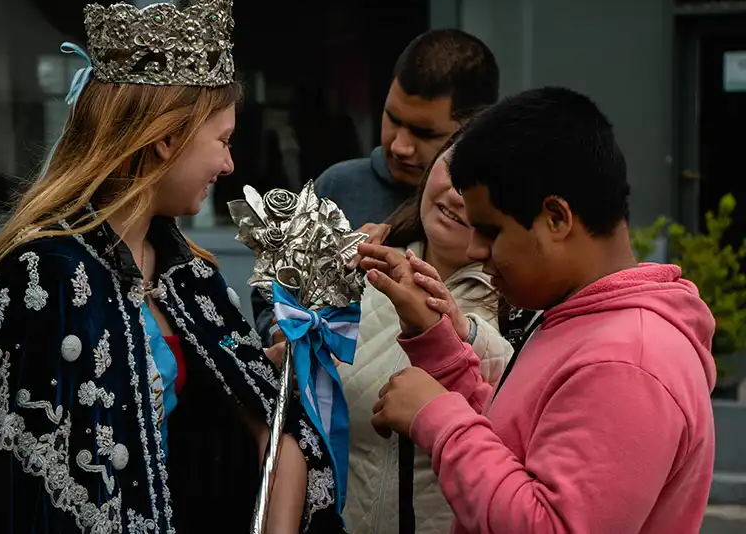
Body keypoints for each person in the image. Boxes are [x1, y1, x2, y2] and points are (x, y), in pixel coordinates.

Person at [0, 0, 343, 533]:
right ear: (166, 140)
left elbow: (271, 434)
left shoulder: (193, 277)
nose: (229, 164)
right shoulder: (43, 276)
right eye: (222, 140)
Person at [360, 87, 716, 534]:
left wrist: (439, 417)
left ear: (556, 218)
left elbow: (550, 525)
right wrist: (438, 346)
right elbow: (518, 447)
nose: (476, 250)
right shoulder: (586, 317)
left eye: (490, 231)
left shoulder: (628, 363)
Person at [253, 28, 501, 346]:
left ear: (472, 130)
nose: (400, 146)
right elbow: (268, 297)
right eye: (393, 119)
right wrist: (283, 333)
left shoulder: (499, 216)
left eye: (424, 133)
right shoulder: (338, 188)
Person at [336, 139, 513, 534]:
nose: (456, 192)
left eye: (478, 184)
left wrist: (459, 332)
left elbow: (513, 417)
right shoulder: (364, 273)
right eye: (452, 170)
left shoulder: (526, 305)